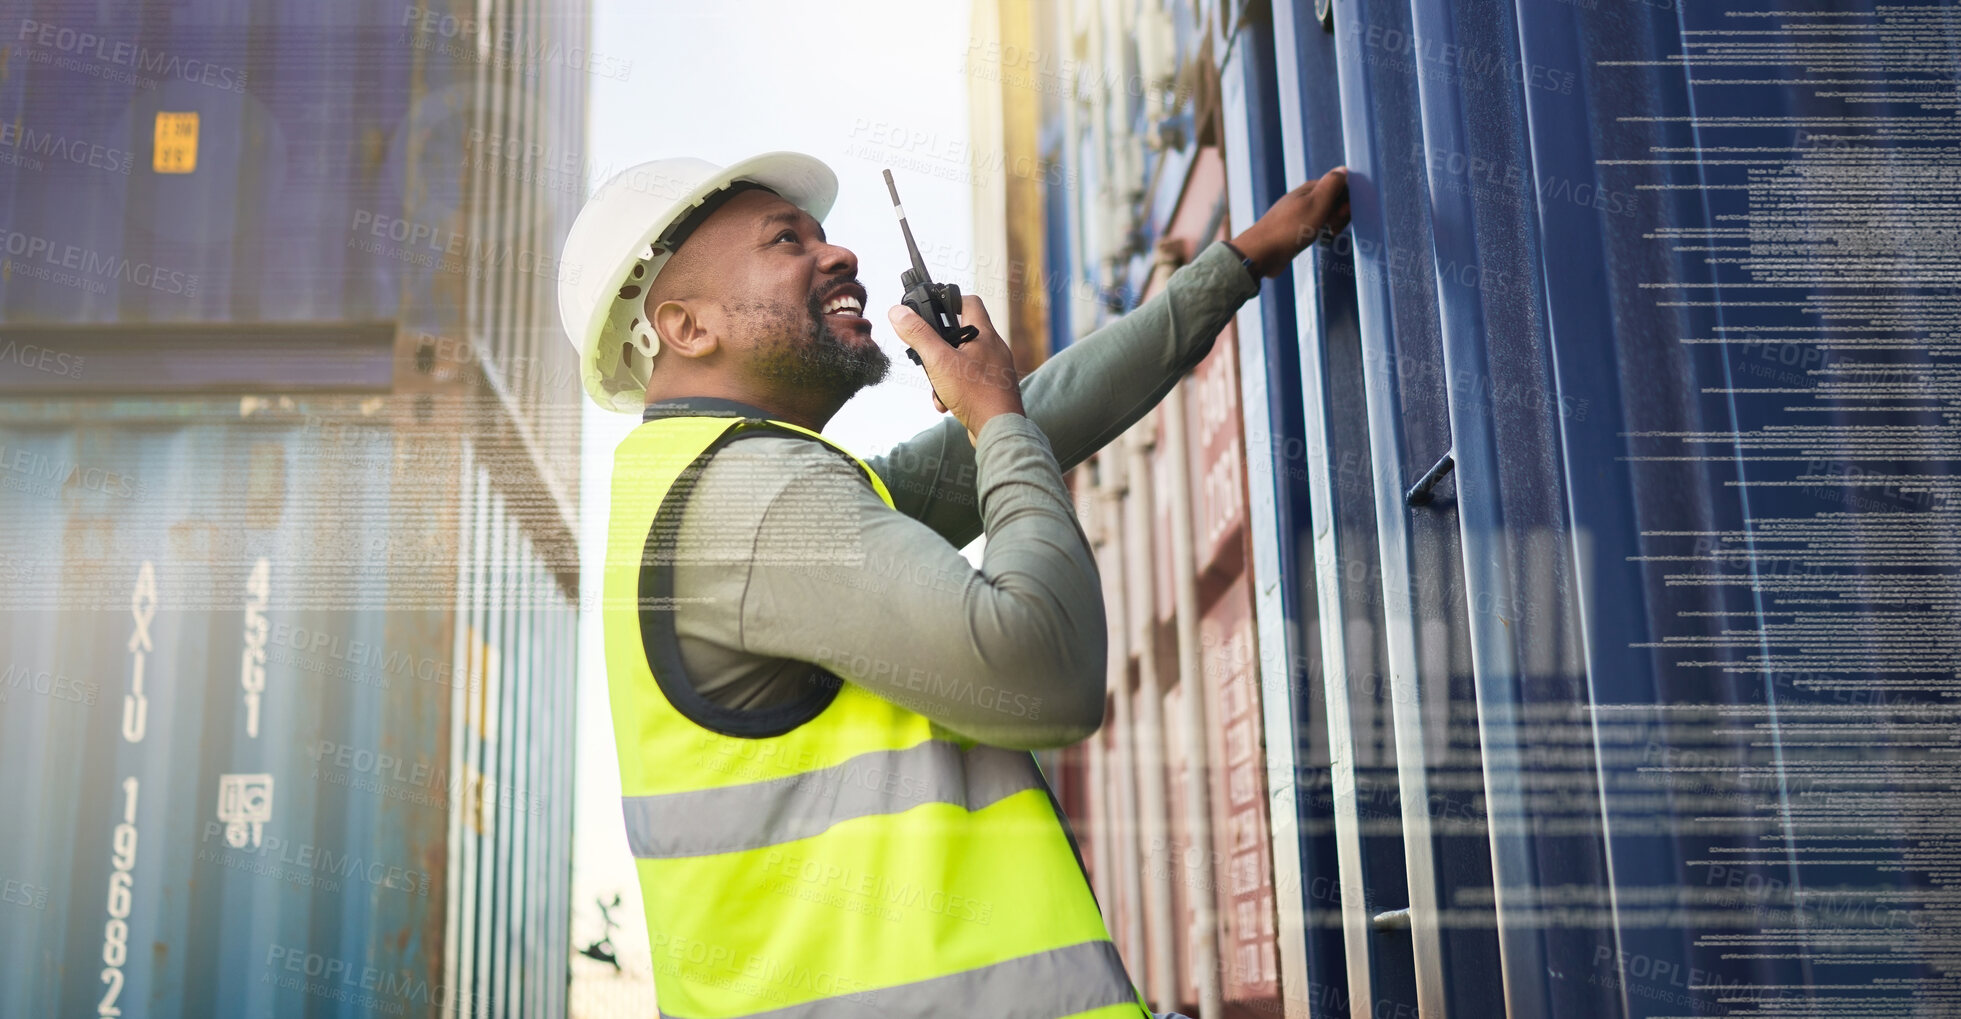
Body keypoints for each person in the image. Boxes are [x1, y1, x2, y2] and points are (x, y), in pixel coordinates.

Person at [560, 151, 1348, 1019]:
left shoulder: (705, 483)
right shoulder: (756, 497)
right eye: (786, 241)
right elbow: (1041, 669)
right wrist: (995, 418)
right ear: (685, 326)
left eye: (824, 236)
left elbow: (1031, 416)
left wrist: (1234, 267)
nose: (840, 256)